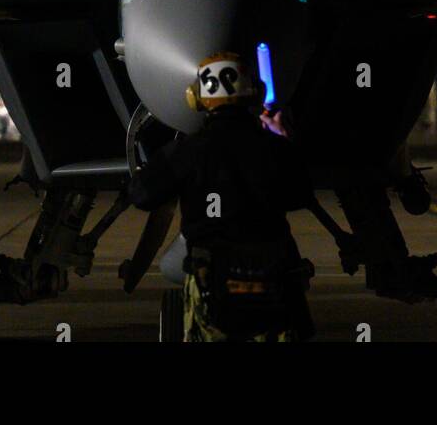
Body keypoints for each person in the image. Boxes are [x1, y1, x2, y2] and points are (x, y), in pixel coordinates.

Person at [129, 53, 314, 341]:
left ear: (197, 97)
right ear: (255, 93)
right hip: (273, 278)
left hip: (210, 280)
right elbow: (300, 195)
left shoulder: (188, 151)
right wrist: (283, 144)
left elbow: (141, 196)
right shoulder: (272, 148)